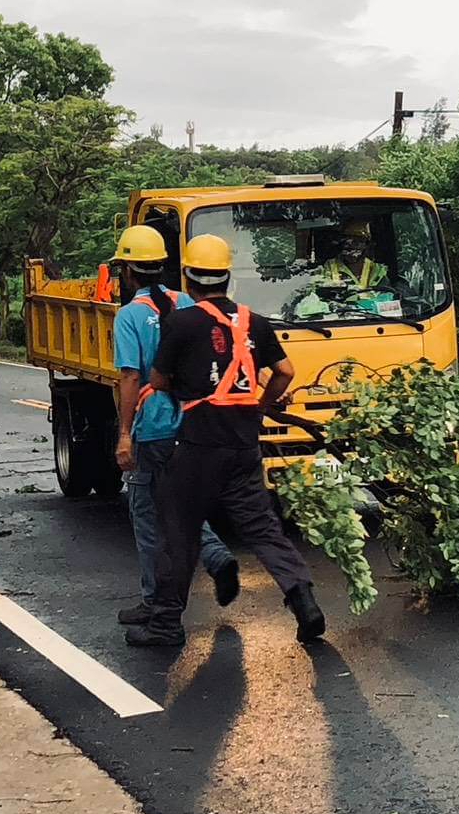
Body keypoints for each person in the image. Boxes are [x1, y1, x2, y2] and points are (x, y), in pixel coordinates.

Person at [130, 233, 325, 649]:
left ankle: (165, 624)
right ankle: (303, 601)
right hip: (243, 444)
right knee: (263, 528)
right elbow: (285, 372)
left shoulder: (182, 322)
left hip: (199, 446)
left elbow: (159, 379)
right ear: (227, 277)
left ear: (189, 278)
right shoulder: (254, 321)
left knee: (177, 528)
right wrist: (260, 406)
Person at [108, 225, 238, 631]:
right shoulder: (187, 303)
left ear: (128, 272)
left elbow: (131, 377)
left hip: (154, 428)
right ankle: (216, 556)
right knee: (183, 503)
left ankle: (154, 601)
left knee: (148, 516)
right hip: (193, 424)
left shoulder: (130, 316)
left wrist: (125, 434)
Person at [323, 218, 389, 291]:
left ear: (367, 245)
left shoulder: (377, 271)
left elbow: (388, 294)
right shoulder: (329, 267)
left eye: (357, 240)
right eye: (347, 239)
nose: (351, 244)